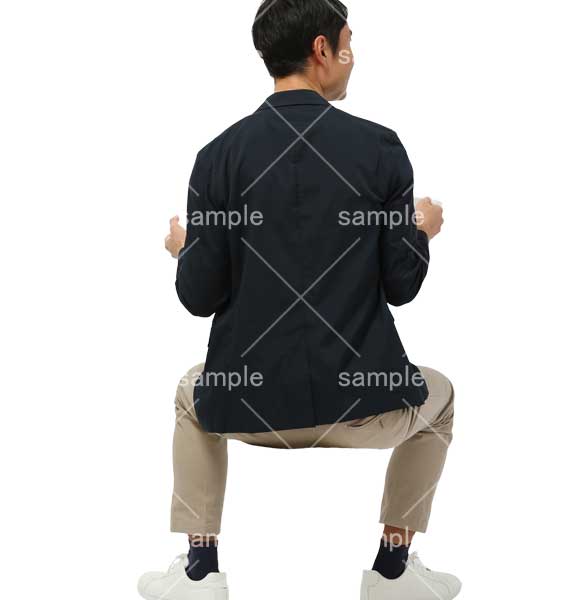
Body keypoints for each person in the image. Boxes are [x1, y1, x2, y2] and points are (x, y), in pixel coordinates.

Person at [138, 1, 461, 598]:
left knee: (190, 391)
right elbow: (403, 285)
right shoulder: (380, 147)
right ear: (321, 50)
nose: (352, 56)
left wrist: (188, 248)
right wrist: (420, 230)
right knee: (440, 397)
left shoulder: (218, 157)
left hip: (249, 408)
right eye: (347, 43)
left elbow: (199, 296)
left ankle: (200, 570)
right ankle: (393, 568)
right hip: (366, 407)